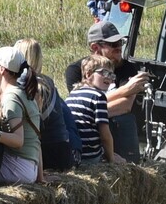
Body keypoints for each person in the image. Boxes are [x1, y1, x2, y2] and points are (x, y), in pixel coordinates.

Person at [64, 20, 150, 161]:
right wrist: (126, 89)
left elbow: (125, 106)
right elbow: (79, 105)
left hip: (119, 135)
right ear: (95, 47)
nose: (119, 48)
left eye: (121, 42)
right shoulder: (75, 70)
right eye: (114, 44)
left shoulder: (128, 68)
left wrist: (92, 112)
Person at [14, 37, 77, 171]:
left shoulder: (33, 86)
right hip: (63, 150)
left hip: (47, 153)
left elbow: (35, 129)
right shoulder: (47, 81)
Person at [0, 45, 41, 184]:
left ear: (2, 69)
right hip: (28, 167)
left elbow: (18, 141)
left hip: (19, 167)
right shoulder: (23, 93)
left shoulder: (11, 98)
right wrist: (40, 177)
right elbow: (36, 140)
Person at [66, 55, 124, 165]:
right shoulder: (98, 97)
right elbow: (105, 135)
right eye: (104, 73)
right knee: (121, 160)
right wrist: (111, 159)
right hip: (89, 157)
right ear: (88, 74)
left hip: (73, 154)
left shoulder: (72, 95)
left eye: (111, 75)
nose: (109, 78)